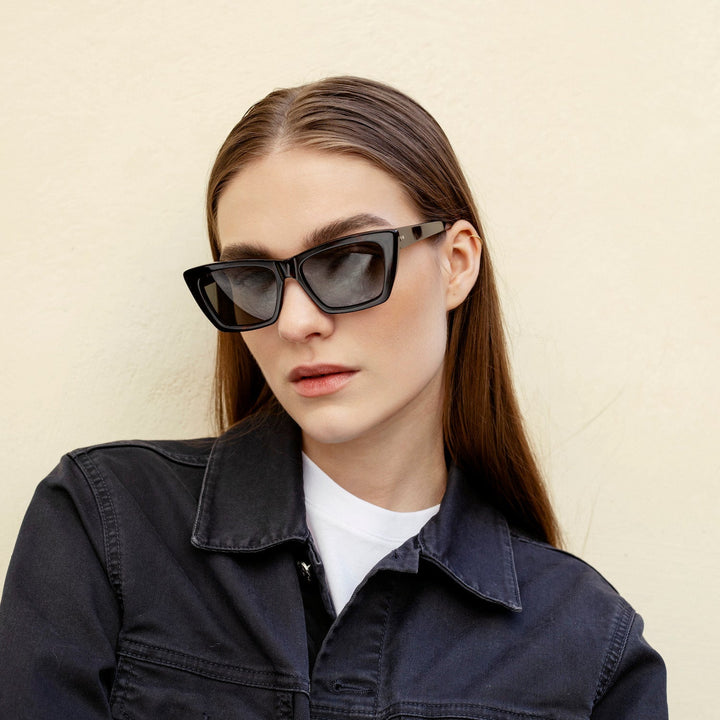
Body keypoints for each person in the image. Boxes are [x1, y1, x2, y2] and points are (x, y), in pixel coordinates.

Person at [0, 76, 667, 718]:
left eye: (348, 261)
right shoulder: (107, 524)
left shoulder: (589, 646)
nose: (295, 323)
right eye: (254, 277)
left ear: (456, 263)